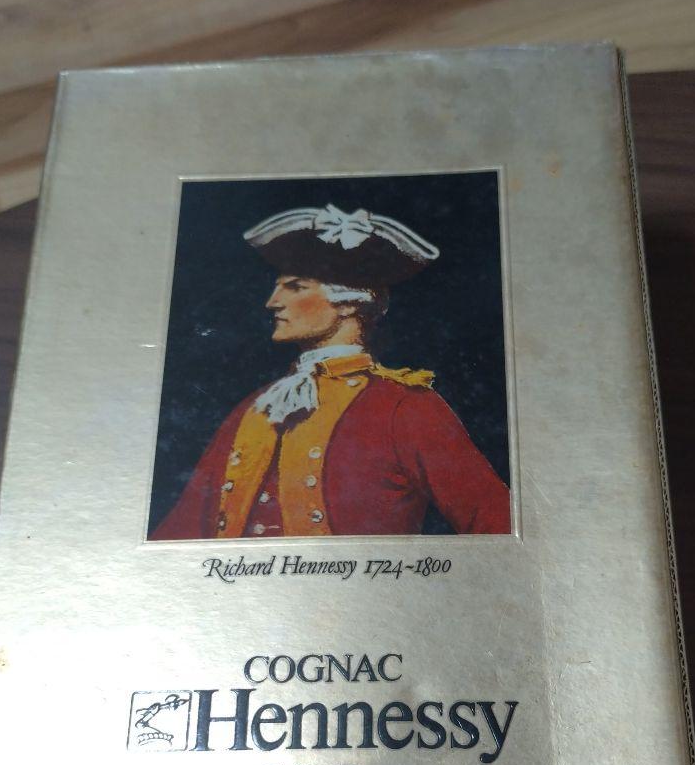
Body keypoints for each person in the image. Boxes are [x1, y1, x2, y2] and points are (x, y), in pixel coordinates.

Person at [151, 203, 511, 540]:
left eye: (295, 287)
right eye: (278, 287)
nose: (273, 302)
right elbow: (177, 538)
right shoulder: (256, 407)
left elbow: (498, 525)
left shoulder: (405, 407)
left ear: (350, 302)